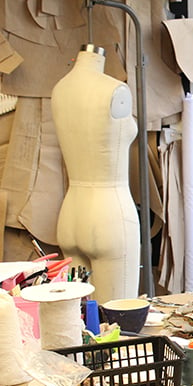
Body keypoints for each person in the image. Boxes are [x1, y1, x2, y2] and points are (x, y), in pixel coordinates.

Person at [51, 44, 140, 304]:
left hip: (71, 214)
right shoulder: (115, 90)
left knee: (80, 321)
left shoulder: (60, 89)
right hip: (110, 214)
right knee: (118, 324)